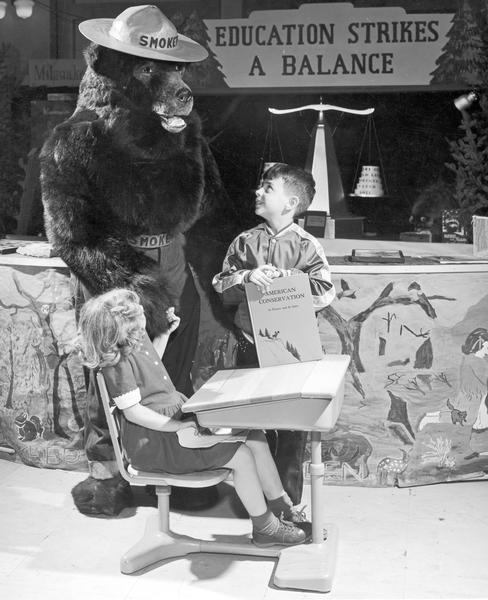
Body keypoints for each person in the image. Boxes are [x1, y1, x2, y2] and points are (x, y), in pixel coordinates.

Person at [75, 288, 310, 547]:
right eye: (138, 316)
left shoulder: (136, 340)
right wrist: (178, 426)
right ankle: (265, 528)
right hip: (156, 442)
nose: (144, 316)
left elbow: (151, 367)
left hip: (173, 426)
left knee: (254, 436)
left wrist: (164, 334)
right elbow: (134, 412)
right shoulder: (115, 364)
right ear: (119, 327)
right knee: (241, 456)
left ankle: (282, 510)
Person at [212, 162, 336, 503]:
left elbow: (326, 291)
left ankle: (289, 504)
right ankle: (254, 503)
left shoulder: (308, 245)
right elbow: (221, 285)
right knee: (251, 426)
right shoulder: (244, 242)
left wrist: (289, 281)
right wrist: (247, 278)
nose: (258, 192)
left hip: (291, 352)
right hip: (248, 345)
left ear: (290, 204)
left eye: (268, 188)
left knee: (291, 429)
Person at [459, 328, 488, 460]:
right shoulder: (476, 361)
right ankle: (478, 448)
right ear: (481, 345)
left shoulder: (475, 359)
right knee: (479, 421)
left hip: (479, 396)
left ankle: (478, 448)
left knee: (480, 421)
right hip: (476, 396)